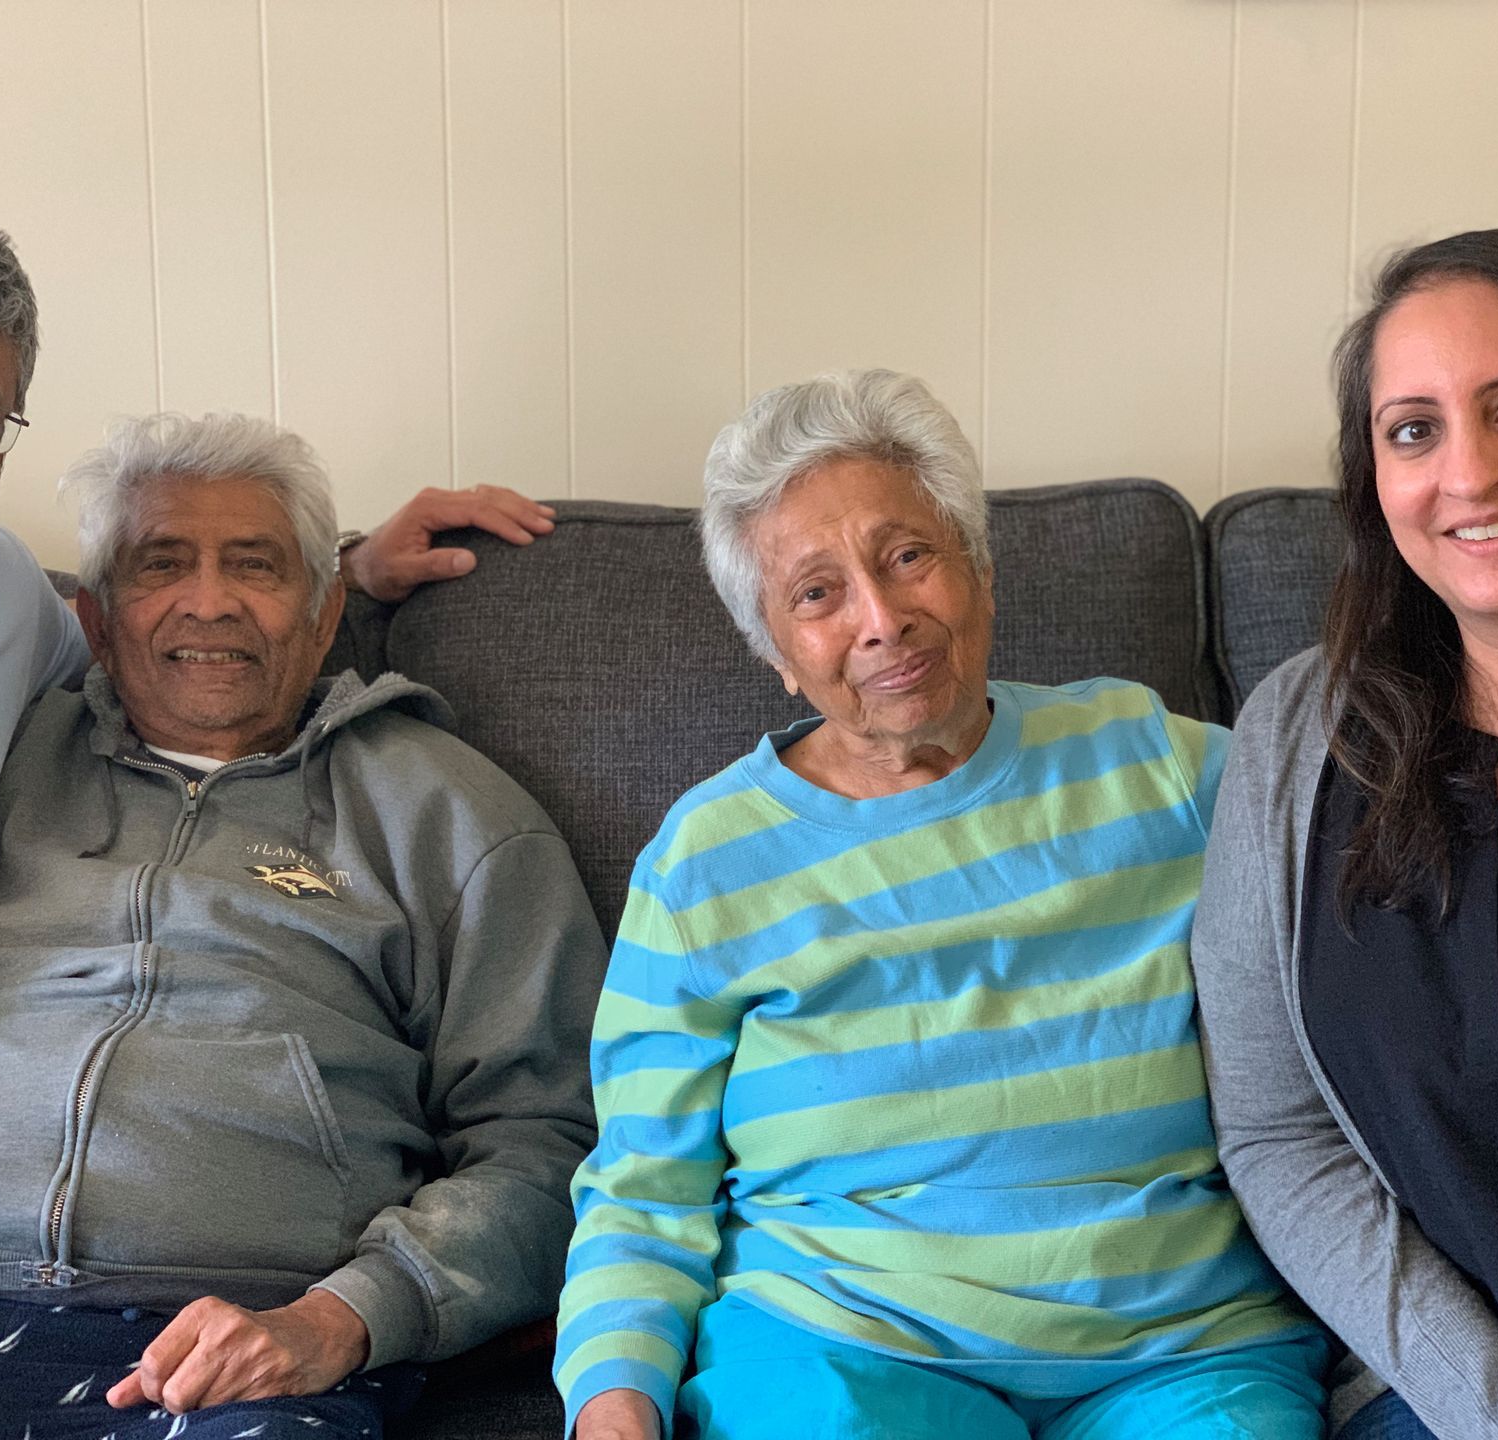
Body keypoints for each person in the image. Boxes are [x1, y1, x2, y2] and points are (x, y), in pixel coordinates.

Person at [0, 198, 558, 1381]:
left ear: (320, 615)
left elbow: (549, 1136)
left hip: (151, 1319)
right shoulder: (33, 730)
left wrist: (351, 570)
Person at [555, 369, 1328, 1440]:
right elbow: (645, 1189)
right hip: (842, 1347)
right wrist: (613, 1401)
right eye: (817, 594)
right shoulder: (704, 862)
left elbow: (1379, 840)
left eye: (908, 556)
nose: (882, 620)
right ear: (776, 653)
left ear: (981, 571)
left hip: (1177, 1347)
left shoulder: (1159, 764)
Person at [1190, 228, 1498, 1440]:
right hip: (1440, 1389)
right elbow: (1280, 1133)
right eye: (1414, 430)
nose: (1469, 473)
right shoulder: (1296, 735)